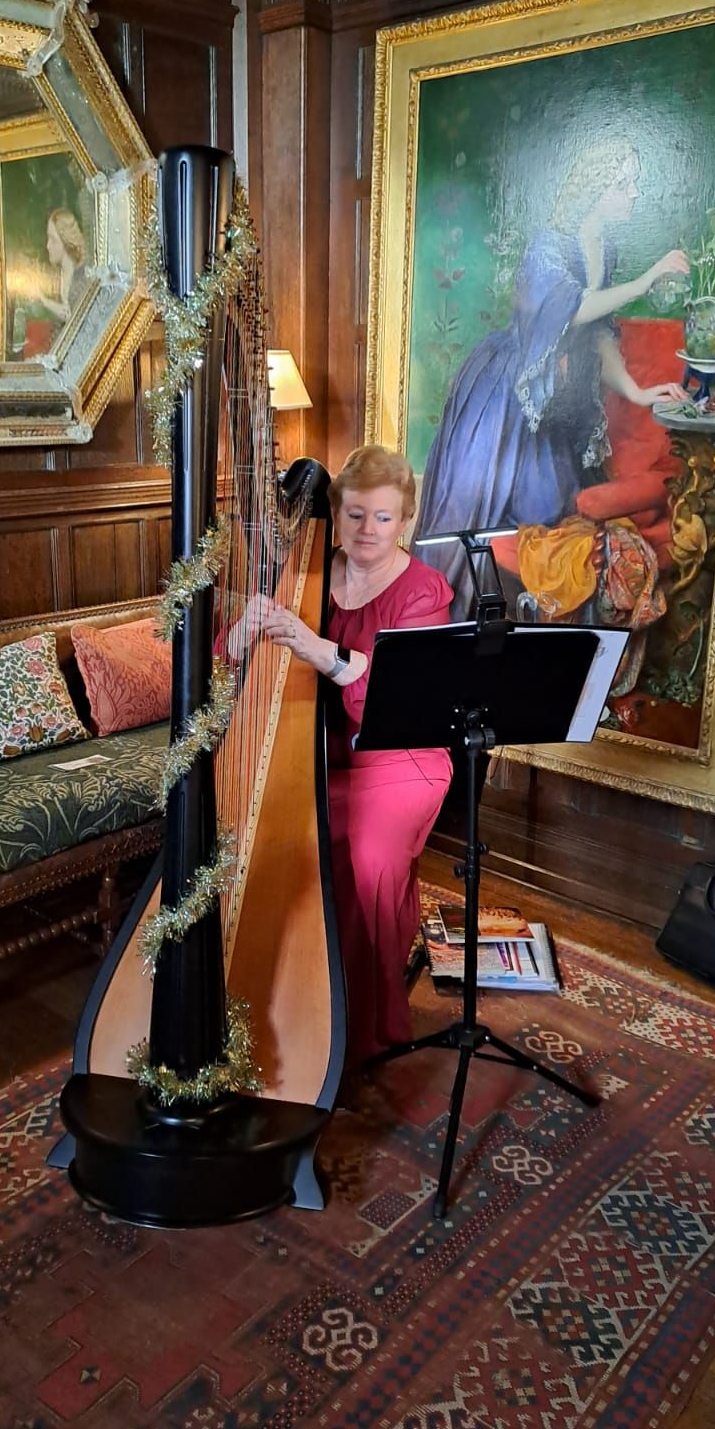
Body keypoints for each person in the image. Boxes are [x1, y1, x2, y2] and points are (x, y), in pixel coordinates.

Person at [412, 135, 690, 612]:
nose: (635, 194)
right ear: (599, 188)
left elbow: (596, 334)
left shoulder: (607, 249)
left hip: (553, 405)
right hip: (506, 392)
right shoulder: (548, 246)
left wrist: (638, 392)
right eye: (627, 184)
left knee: (552, 511)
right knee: (477, 508)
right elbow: (572, 310)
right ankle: (440, 614)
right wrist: (646, 281)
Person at [250, 444, 454, 1066]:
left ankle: (357, 1027)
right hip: (323, 754)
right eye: (356, 515)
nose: (369, 530)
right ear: (334, 515)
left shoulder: (423, 592)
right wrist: (241, 632)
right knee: (277, 838)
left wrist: (319, 650)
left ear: (407, 522)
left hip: (402, 757)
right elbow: (249, 660)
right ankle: (287, 1002)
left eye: (384, 517)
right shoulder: (308, 574)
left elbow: (392, 699)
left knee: (367, 856)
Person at [35, 208, 87, 326]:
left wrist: (44, 301)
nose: (48, 246)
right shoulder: (54, 276)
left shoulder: (84, 276)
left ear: (65, 240)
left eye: (53, 240)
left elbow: (74, 319)